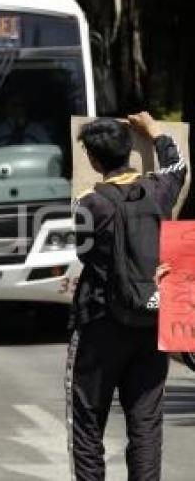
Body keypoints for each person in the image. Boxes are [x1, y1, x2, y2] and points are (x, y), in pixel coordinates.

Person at [68, 112, 186, 480]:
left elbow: (83, 254)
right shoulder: (159, 191)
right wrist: (152, 130)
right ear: (129, 152)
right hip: (153, 321)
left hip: (101, 324)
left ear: (94, 160)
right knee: (146, 422)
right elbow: (177, 164)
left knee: (88, 423)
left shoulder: (90, 205)